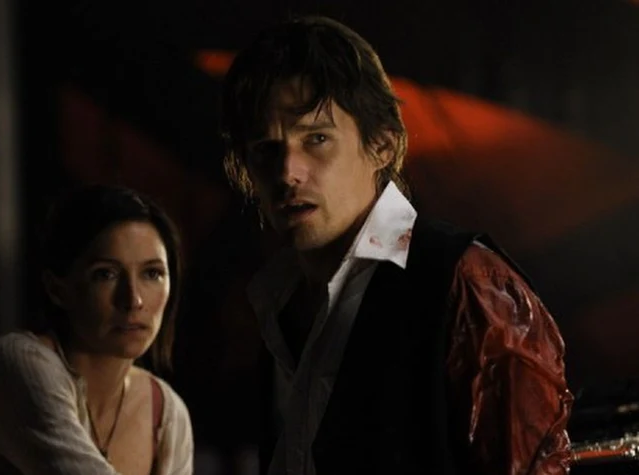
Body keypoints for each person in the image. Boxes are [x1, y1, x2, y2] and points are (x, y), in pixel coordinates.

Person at [219, 15, 573, 475]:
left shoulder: (462, 279)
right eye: (266, 149)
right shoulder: (276, 298)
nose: (288, 172)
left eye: (317, 139)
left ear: (382, 146)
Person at [0, 185, 194, 475]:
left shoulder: (168, 414)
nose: (134, 300)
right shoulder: (17, 366)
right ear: (57, 289)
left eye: (152, 273)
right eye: (105, 274)